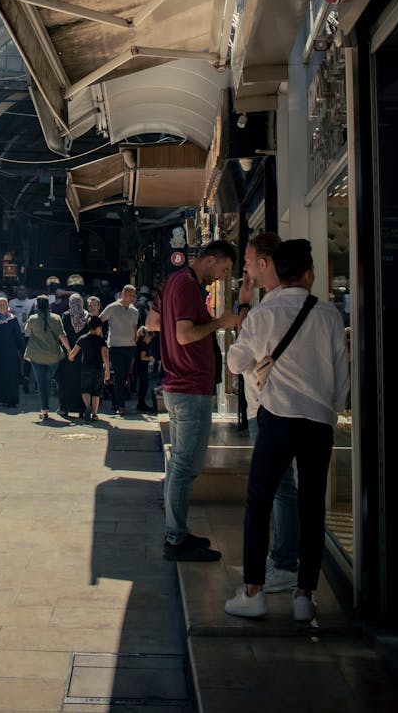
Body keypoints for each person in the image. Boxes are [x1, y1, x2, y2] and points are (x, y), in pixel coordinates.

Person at [224, 239, 350, 622]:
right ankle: (304, 597)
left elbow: (234, 362)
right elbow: (341, 379)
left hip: (277, 417)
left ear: (277, 270)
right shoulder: (329, 315)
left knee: (259, 501)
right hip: (318, 423)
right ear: (309, 273)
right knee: (312, 508)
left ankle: (253, 593)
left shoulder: (264, 313)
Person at [160, 240, 238, 561]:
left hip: (185, 387)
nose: (222, 276)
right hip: (189, 389)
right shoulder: (187, 285)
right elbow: (183, 335)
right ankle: (176, 538)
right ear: (209, 260)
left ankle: (177, 533)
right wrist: (220, 323)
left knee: (181, 464)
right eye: (223, 269)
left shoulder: (179, 283)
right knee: (184, 466)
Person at [233, 232, 300, 594]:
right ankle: (294, 570)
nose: (244, 267)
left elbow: (236, 360)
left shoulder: (266, 310)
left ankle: (283, 563)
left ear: (263, 263)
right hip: (300, 411)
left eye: (247, 260)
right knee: (287, 488)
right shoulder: (311, 308)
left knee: (276, 490)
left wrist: (244, 308)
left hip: (269, 409)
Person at [24, 294, 70, 421]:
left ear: (36, 306)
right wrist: (69, 350)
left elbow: (27, 331)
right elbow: (62, 336)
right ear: (48, 305)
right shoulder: (56, 318)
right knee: (48, 379)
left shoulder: (32, 319)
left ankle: (44, 410)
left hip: (36, 355)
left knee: (41, 384)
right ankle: (51, 381)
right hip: (53, 356)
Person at [100, 284, 139, 416]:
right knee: (120, 376)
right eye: (130, 295)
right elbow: (100, 320)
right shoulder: (112, 307)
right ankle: (120, 405)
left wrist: (135, 344)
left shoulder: (135, 311)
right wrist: (100, 337)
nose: (132, 298)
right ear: (123, 294)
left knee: (123, 377)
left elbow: (135, 329)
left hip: (130, 347)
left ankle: (116, 403)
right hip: (115, 347)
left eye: (134, 296)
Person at [68, 314, 111, 420]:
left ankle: (87, 406)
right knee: (96, 391)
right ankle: (95, 414)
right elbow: (105, 356)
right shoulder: (101, 341)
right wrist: (107, 370)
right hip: (98, 369)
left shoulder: (82, 338)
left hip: (85, 368)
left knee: (85, 390)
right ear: (98, 328)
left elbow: (73, 353)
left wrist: (71, 357)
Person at [59, 292, 90, 418]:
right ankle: (81, 409)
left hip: (68, 353)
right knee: (81, 382)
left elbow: (62, 334)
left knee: (65, 381)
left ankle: (64, 408)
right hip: (82, 353)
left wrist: (68, 350)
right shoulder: (86, 316)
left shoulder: (66, 316)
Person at [134, 325, 155, 412]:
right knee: (143, 386)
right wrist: (150, 358)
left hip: (138, 367)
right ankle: (141, 404)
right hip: (142, 368)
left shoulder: (138, 343)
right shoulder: (143, 345)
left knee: (142, 386)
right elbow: (142, 357)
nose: (150, 341)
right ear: (147, 336)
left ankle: (141, 403)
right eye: (150, 338)